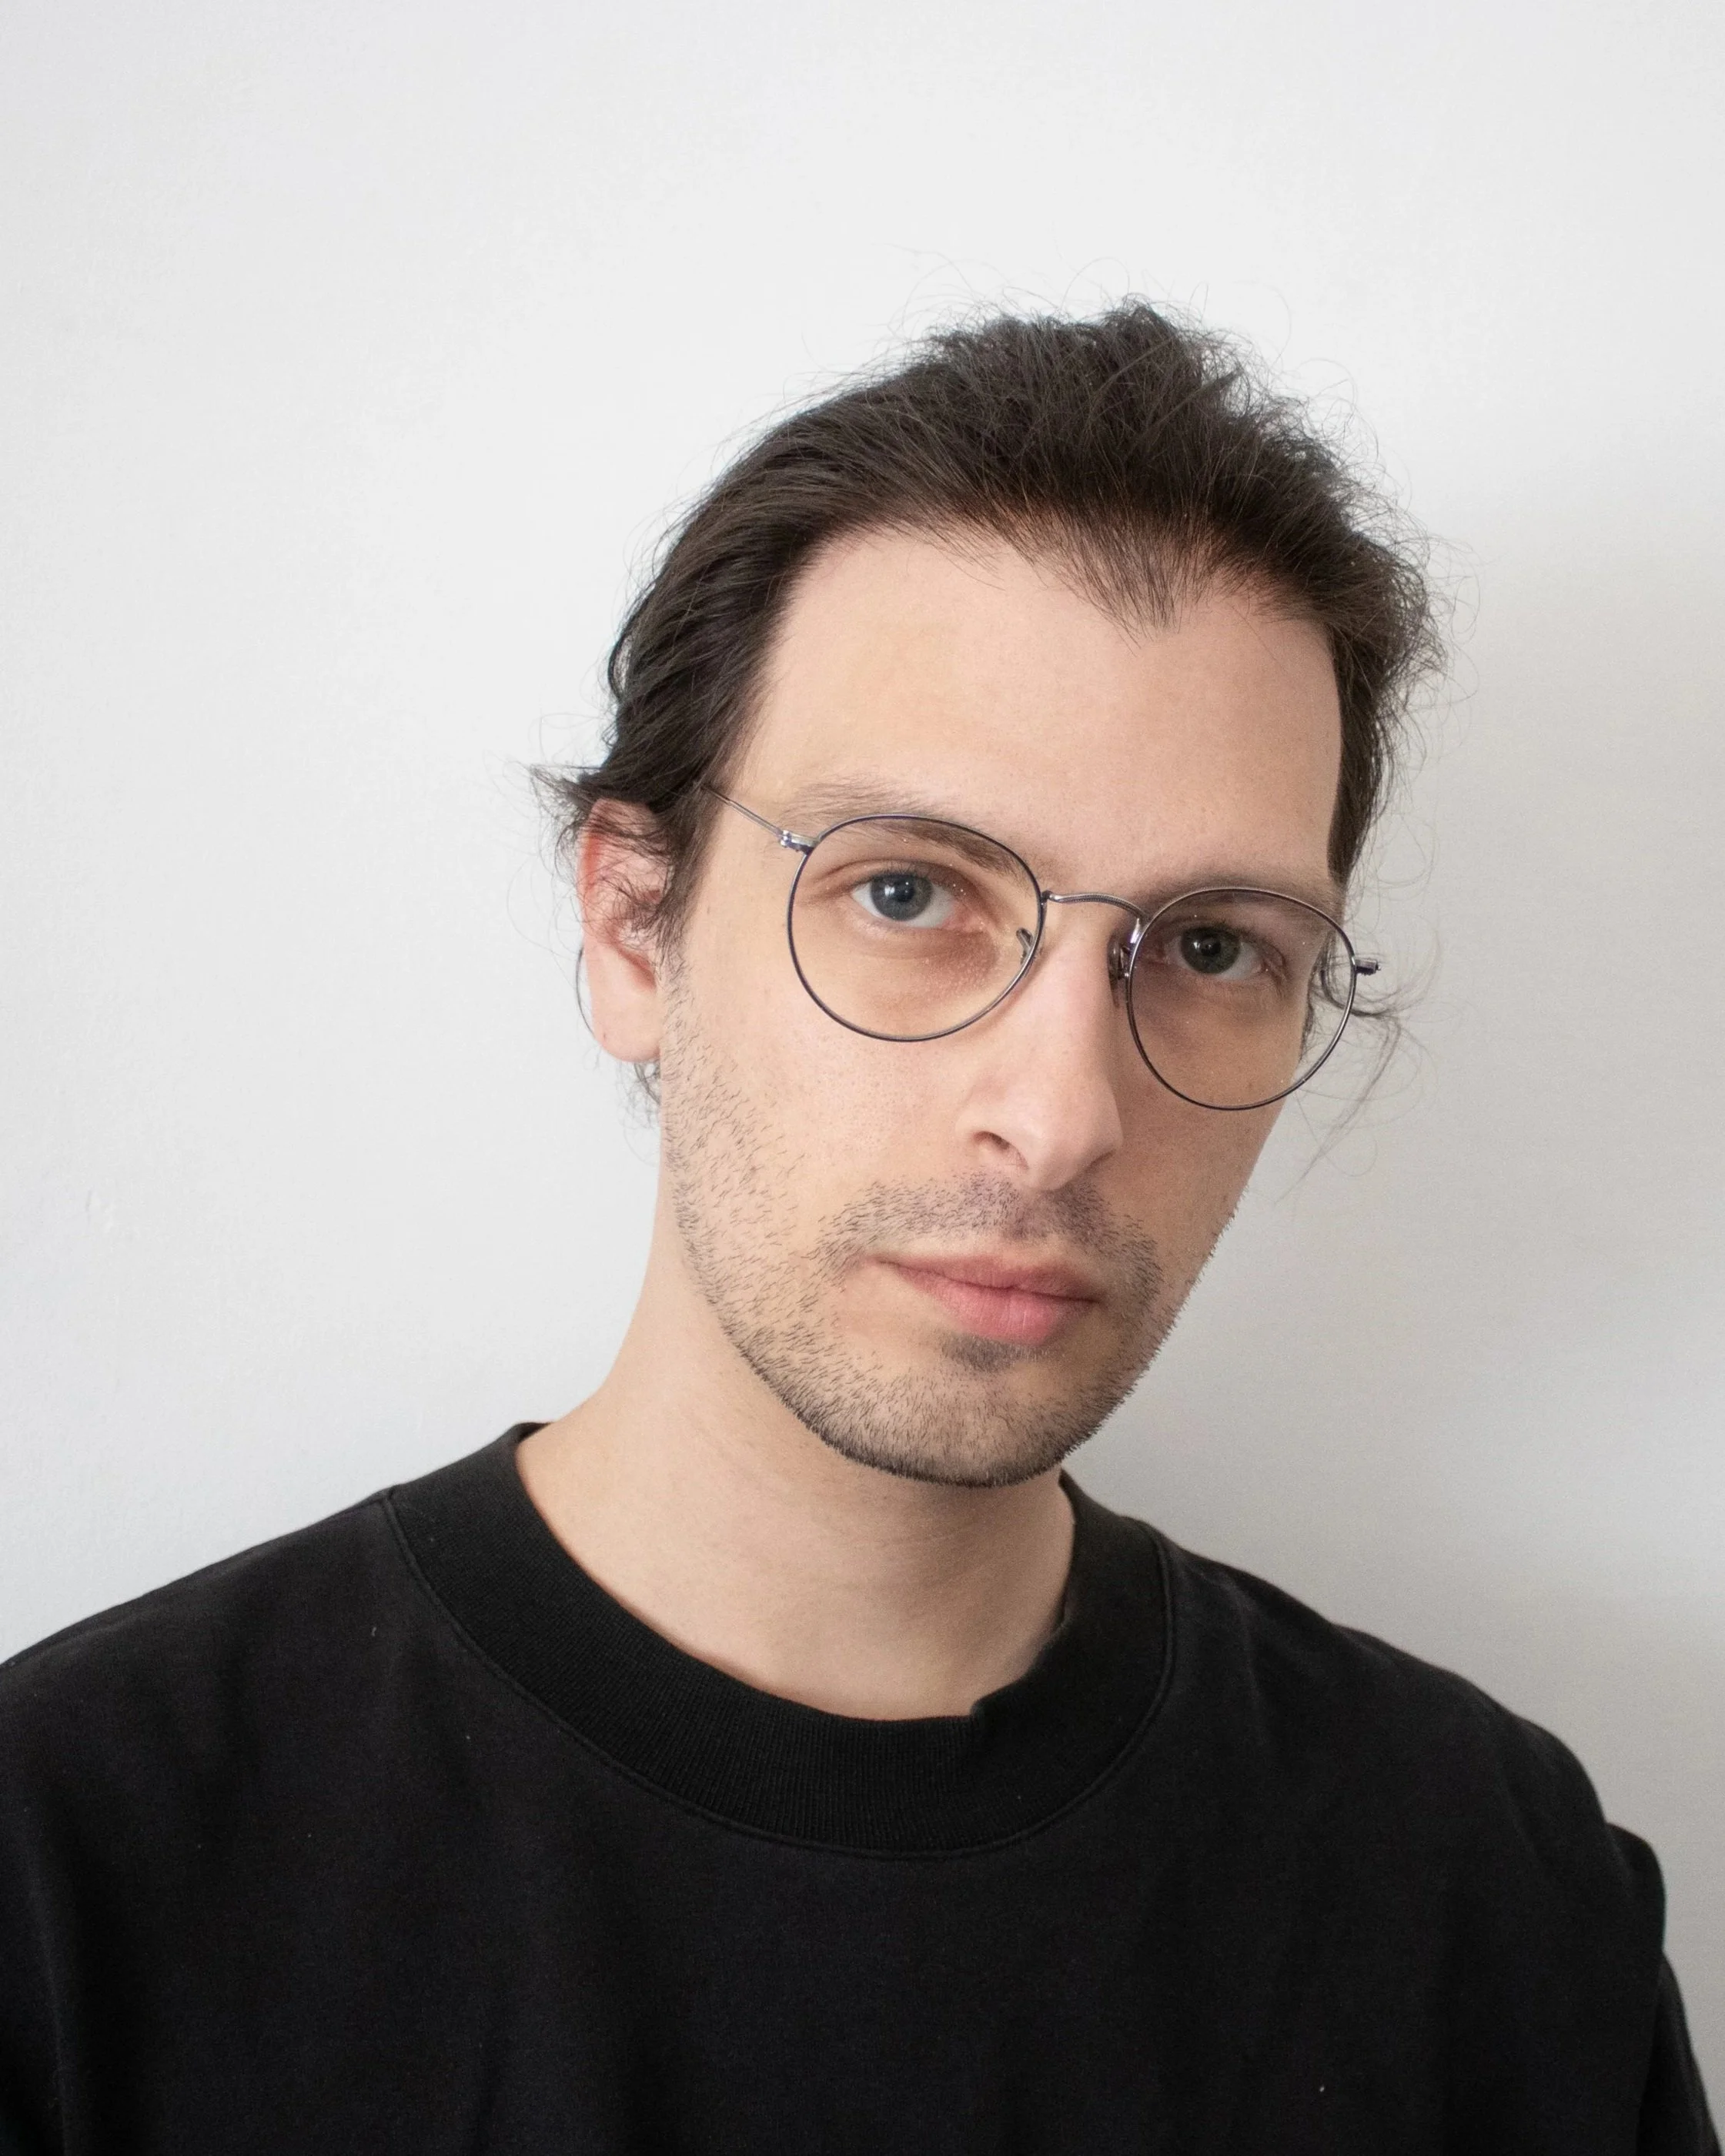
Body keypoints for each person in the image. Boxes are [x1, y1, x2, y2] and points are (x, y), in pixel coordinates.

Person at [0, 303, 1713, 2156]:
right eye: (909, 890)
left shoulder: (1492, 1889)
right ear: (635, 928)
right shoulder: (74, 1866)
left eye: (1212, 947)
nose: (1058, 1116)